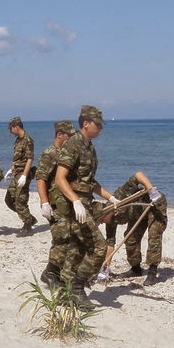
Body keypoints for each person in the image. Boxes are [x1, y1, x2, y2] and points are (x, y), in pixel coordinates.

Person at [52, 105, 118, 309]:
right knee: (98, 246)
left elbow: (89, 181)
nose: (100, 128)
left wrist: (111, 197)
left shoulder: (89, 147)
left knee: (78, 248)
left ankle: (65, 291)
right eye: (98, 124)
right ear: (86, 123)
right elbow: (60, 177)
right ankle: (78, 287)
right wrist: (75, 201)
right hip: (74, 206)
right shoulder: (73, 144)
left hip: (85, 202)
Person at [99, 171, 167, 285]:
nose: (101, 223)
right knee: (130, 239)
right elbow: (110, 243)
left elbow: (138, 175)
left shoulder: (119, 196)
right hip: (137, 213)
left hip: (154, 205)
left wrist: (152, 191)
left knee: (154, 236)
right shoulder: (108, 221)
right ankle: (136, 269)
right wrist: (105, 268)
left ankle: (152, 272)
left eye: (101, 220)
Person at [35, 119, 77, 288]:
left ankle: (58, 273)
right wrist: (44, 203)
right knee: (61, 238)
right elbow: (41, 179)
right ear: (60, 135)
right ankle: (50, 274)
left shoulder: (67, 153)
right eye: (70, 136)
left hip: (66, 204)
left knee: (68, 238)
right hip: (54, 204)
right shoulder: (50, 153)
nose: (73, 139)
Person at [3, 116, 36, 236]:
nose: (11, 132)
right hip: (16, 172)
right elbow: (17, 159)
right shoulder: (18, 140)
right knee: (9, 199)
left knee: (20, 199)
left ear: (16, 127)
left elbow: (29, 159)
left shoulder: (27, 140)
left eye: (11, 129)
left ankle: (27, 226)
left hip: (23, 173)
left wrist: (25, 175)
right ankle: (30, 218)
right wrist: (11, 170)